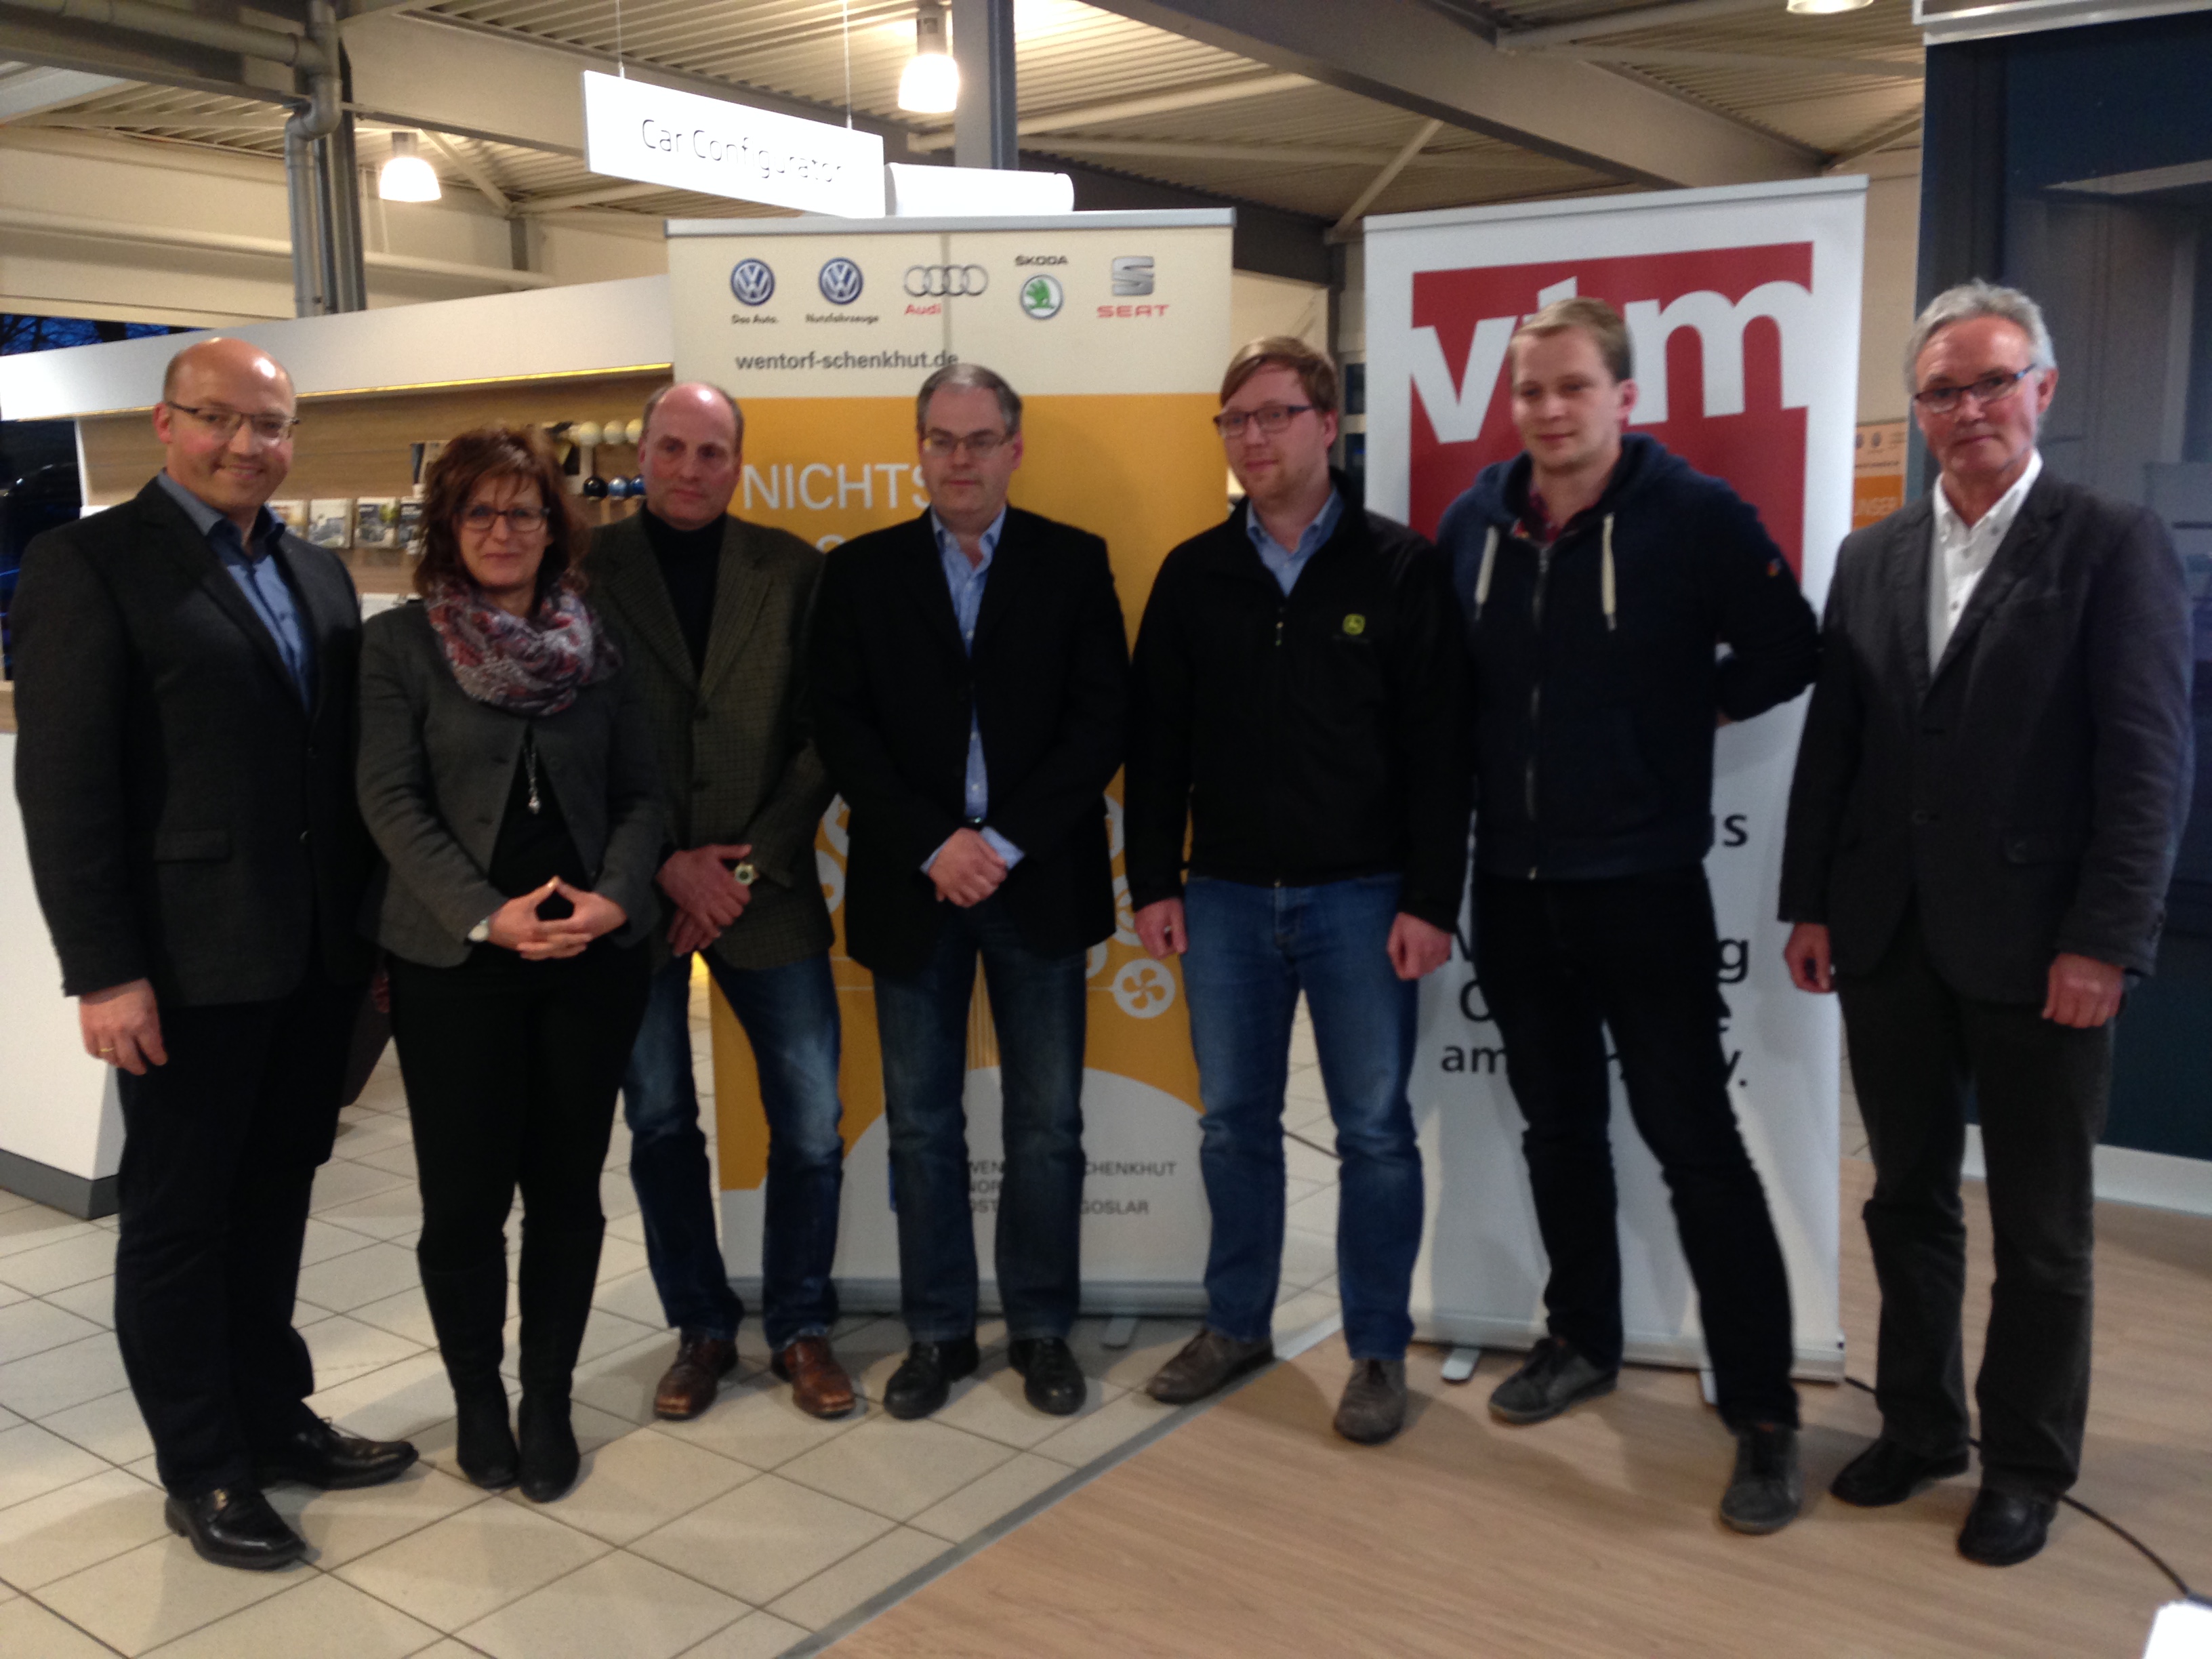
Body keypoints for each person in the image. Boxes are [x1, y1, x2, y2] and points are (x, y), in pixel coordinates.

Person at [1781, 281, 2192, 1566]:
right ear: (1918, 410)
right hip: (1888, 938)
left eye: (1994, 382)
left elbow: (2148, 764)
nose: (1970, 409)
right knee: (1906, 1201)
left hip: (2043, 949)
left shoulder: (2111, 542)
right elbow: (1836, 747)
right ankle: (1920, 1428)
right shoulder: (1871, 556)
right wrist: (1809, 902)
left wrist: (2107, 939)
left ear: (2043, 391)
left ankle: (2025, 1465)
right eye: (1943, 391)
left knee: (2043, 1228)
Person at [12, 337, 417, 1572]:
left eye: (271, 424)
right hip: (185, 967)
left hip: (313, 959)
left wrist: (372, 935)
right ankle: (203, 1467)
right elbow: (65, 788)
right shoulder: (89, 564)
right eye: (220, 419)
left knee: (277, 1194)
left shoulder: (317, 571)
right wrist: (103, 971)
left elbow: (335, 773)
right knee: (180, 1222)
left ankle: (272, 1415)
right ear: (165, 422)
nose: (248, 444)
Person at [1435, 295, 1818, 1532]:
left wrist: (1686, 715)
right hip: (1515, 888)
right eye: (1530, 390)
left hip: (1646, 887)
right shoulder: (1473, 525)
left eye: (1573, 387)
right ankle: (1581, 1339)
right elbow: (1449, 695)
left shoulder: (1695, 516)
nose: (1549, 410)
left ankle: (1764, 1413)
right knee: (1559, 1133)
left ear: (1625, 397)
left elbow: (1789, 647)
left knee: (1695, 1145)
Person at [1126, 336, 1468, 1447]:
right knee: (1234, 1126)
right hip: (1224, 897)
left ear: (1328, 424)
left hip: (1364, 895)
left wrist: (1432, 899)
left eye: (1275, 414)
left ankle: (1376, 1349)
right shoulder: (1193, 573)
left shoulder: (1399, 566)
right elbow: (1156, 743)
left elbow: (1441, 752)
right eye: (1235, 420)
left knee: (1374, 1133)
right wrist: (1152, 881)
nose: (1254, 436)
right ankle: (1236, 1325)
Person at [811, 363, 1128, 1422]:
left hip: (1036, 881)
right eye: (941, 440)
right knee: (920, 1126)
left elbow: (1100, 722)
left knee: (1048, 1125)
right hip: (916, 886)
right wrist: (936, 843)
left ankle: (1040, 1327)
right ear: (919, 450)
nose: (960, 458)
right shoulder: (861, 573)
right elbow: (842, 728)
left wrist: (1003, 842)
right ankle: (938, 1332)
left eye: (980, 439)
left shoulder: (1074, 563)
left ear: (1014, 449)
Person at [358, 427, 662, 1504]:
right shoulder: (399, 646)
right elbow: (388, 799)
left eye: (521, 511)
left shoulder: (600, 643)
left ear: (553, 526)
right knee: (463, 1200)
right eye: (479, 512)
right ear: (446, 527)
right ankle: (477, 1399)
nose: (501, 530)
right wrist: (489, 917)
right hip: (456, 965)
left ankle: (549, 1399)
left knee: (568, 1195)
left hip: (589, 959)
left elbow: (643, 792)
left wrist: (617, 896)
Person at [588, 383, 852, 1422]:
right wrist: (664, 865)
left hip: (765, 890)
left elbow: (826, 735)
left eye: (711, 452)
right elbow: (573, 737)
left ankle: (801, 1326)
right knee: (659, 1123)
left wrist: (738, 873)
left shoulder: (792, 571)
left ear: (738, 463)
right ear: (642, 454)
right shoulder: (584, 570)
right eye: (671, 448)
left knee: (813, 1123)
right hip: (636, 892)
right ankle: (700, 1328)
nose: (689, 469)